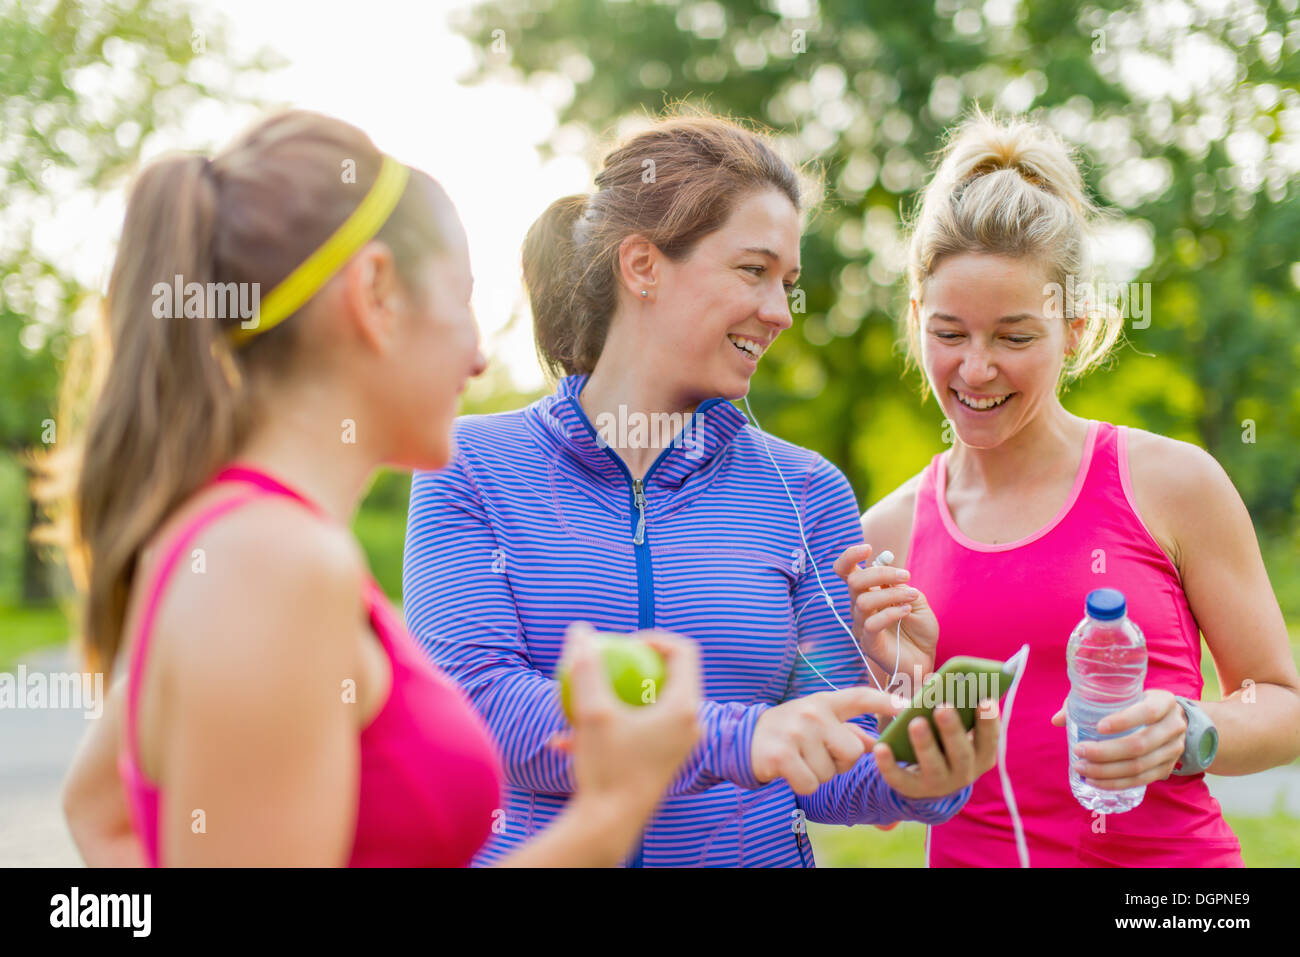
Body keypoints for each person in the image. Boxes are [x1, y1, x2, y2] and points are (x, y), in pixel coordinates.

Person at [51, 109, 705, 867]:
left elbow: (103, 813)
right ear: (375, 293)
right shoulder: (273, 564)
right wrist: (614, 809)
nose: (478, 359)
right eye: (463, 300)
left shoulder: (231, 538)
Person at [401, 109, 999, 868]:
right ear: (643, 265)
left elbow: (826, 772)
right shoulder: (473, 465)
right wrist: (739, 736)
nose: (780, 313)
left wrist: (917, 757)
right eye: (753, 271)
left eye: (787, 282)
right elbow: (481, 710)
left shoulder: (805, 489)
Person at [841, 112, 1300, 867]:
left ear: (1076, 329)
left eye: (1015, 337)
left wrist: (1191, 729)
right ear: (916, 320)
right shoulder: (886, 531)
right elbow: (874, 792)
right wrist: (897, 689)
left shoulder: (1173, 483)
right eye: (950, 333)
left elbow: (1280, 708)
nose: (977, 368)